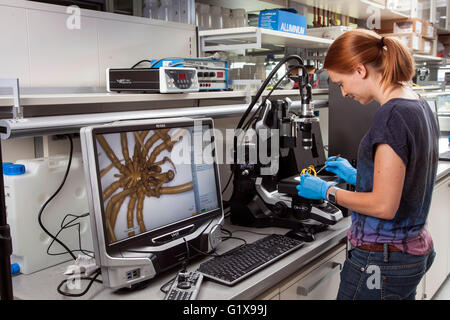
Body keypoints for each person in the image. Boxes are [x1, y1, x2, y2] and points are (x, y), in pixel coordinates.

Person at [296, 29, 439, 300]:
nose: (343, 92)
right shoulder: (416, 103)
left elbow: (385, 206)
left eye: (340, 82)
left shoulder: (391, 115)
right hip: (411, 252)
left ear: (360, 70)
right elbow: (409, 177)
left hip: (382, 260)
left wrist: (327, 191)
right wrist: (358, 174)